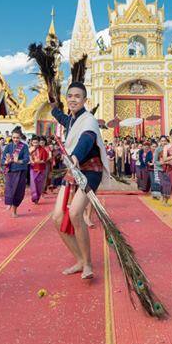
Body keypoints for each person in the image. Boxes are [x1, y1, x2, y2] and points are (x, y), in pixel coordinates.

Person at [50, 81, 111, 280]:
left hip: (90, 171)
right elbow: (59, 115)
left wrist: (75, 156)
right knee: (58, 218)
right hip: (72, 170)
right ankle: (79, 260)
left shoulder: (89, 120)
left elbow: (86, 139)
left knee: (76, 213)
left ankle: (88, 264)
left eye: (77, 96)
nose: (73, 99)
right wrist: (52, 104)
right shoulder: (70, 120)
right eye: (70, 96)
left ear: (85, 100)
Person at [2, 126, 30, 217]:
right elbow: (2, 159)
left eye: (17, 137)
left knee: (18, 191)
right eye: (14, 137)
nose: (15, 139)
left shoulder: (24, 146)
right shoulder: (8, 146)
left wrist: (18, 161)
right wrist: (6, 161)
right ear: (11, 137)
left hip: (21, 171)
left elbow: (27, 159)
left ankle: (14, 211)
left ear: (20, 137)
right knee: (10, 189)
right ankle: (9, 203)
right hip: (10, 171)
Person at [28, 135, 50, 204]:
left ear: (39, 142)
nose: (35, 144)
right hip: (33, 168)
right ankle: (34, 197)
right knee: (33, 182)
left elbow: (44, 160)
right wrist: (31, 161)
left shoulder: (43, 150)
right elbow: (28, 157)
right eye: (34, 142)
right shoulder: (30, 149)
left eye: (36, 142)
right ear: (31, 142)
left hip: (41, 169)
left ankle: (38, 197)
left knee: (39, 184)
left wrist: (38, 161)